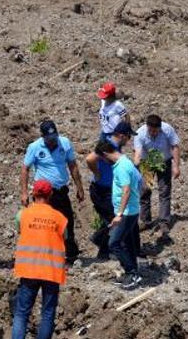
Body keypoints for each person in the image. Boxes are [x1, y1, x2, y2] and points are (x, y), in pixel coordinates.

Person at [0, 180, 67, 339]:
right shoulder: (60, 217)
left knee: (22, 313)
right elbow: (65, 237)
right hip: (51, 271)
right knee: (47, 312)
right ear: (50, 195)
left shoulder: (23, 215)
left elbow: (20, 229)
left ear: (33, 194)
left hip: (29, 270)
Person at [20, 120, 84, 260]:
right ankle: (46, 254)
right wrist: (24, 192)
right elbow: (25, 169)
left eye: (54, 137)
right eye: (49, 139)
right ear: (42, 137)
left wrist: (79, 187)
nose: (53, 141)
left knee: (67, 221)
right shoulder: (35, 147)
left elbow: (72, 165)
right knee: (45, 223)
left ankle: (70, 253)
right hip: (44, 194)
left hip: (61, 191)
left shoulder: (65, 143)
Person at [95, 140, 142, 290]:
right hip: (130, 210)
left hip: (127, 212)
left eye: (102, 159)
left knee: (113, 243)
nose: (104, 162)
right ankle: (132, 273)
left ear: (105, 154)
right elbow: (139, 180)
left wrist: (120, 213)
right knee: (128, 244)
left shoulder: (122, 167)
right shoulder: (125, 163)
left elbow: (126, 190)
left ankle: (131, 272)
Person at [85, 122, 133, 259]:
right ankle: (99, 239)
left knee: (112, 219)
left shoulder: (115, 146)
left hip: (108, 189)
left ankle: (104, 251)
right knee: (114, 219)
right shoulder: (107, 145)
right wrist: (97, 173)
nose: (129, 140)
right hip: (101, 190)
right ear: (122, 136)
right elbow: (89, 159)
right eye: (128, 137)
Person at [133, 114, 181, 236]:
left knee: (164, 191)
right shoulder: (140, 133)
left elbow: (175, 146)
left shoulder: (167, 129)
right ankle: (145, 220)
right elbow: (137, 153)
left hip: (163, 162)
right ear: (147, 127)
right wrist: (135, 168)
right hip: (147, 163)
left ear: (160, 127)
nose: (153, 132)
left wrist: (176, 166)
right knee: (145, 190)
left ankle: (164, 221)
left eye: (155, 130)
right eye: (151, 130)